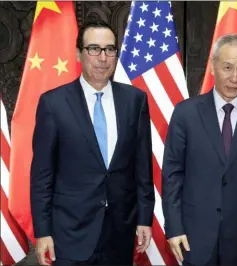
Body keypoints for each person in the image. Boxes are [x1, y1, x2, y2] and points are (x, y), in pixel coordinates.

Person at [30, 20, 155, 265]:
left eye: (109, 49)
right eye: (94, 49)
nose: (103, 58)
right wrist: (43, 231)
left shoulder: (135, 100)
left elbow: (143, 167)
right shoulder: (53, 104)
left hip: (120, 231)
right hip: (70, 233)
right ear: (79, 54)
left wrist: (144, 218)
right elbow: (42, 175)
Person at [162, 33, 237, 265]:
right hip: (193, 235)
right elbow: (172, 176)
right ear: (212, 66)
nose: (235, 77)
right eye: (227, 67)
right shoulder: (185, 114)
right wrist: (173, 227)